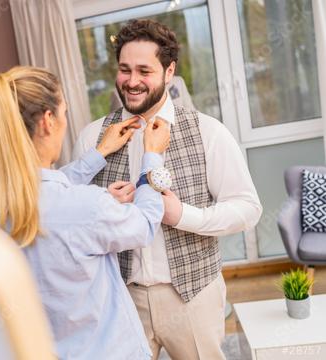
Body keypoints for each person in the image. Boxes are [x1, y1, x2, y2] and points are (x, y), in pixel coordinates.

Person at [73, 19, 263, 360]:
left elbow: (248, 208)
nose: (131, 82)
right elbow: (72, 218)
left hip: (193, 296)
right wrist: (102, 204)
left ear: (169, 71)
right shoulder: (92, 139)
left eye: (144, 71)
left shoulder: (209, 132)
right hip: (120, 298)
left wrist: (183, 215)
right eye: (124, 69)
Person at [0, 66, 171, 359]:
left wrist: (99, 154)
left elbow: (38, 194)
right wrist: (152, 159)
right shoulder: (87, 206)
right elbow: (142, 225)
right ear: (48, 121)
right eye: (64, 112)